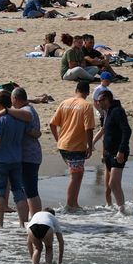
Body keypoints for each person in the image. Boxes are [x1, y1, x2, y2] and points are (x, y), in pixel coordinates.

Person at [49, 80, 96, 212]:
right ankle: (70, 205)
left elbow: (52, 124)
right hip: (76, 146)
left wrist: (58, 139)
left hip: (63, 145)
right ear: (87, 92)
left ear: (76, 90)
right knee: (76, 176)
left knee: (76, 174)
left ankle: (74, 203)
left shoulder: (65, 103)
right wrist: (90, 145)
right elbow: (89, 129)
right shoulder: (86, 106)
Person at [0, 91, 29, 228]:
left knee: (0, 191)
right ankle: (22, 224)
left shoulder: (1, 120)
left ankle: (0, 224)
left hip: (2, 158)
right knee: (18, 190)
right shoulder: (20, 119)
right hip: (17, 157)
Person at [94, 88, 131, 209]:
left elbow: (127, 130)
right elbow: (104, 130)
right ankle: (114, 208)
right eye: (97, 101)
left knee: (113, 183)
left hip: (118, 152)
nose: (99, 103)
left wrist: (121, 151)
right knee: (109, 185)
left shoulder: (117, 111)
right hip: (108, 153)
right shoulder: (107, 112)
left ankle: (122, 210)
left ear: (108, 99)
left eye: (101, 100)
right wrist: (92, 143)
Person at [12, 87, 44, 217]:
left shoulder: (26, 111)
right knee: (28, 188)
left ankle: (37, 218)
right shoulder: (29, 108)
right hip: (32, 154)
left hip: (29, 156)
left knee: (31, 190)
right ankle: (33, 217)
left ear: (15, 99)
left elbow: (32, 131)